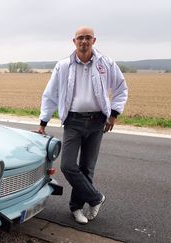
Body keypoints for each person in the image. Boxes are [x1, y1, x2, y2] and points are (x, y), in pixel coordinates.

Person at [37, 26, 128, 224]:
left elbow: (121, 88)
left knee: (87, 168)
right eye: (80, 38)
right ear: (74, 41)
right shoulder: (63, 66)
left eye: (88, 38)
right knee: (68, 166)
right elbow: (50, 94)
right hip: (73, 121)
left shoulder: (106, 64)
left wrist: (113, 114)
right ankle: (96, 198)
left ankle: (76, 208)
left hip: (97, 122)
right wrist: (43, 121)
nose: (84, 41)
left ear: (94, 41)